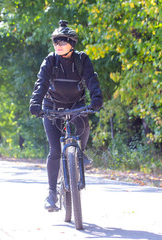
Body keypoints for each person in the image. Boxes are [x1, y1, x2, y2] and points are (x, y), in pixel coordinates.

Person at [29, 20, 103, 211]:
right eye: (55, 42)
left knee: (83, 123)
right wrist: (35, 103)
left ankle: (80, 152)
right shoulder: (50, 60)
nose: (58, 45)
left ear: (72, 43)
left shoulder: (82, 60)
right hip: (51, 107)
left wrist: (96, 99)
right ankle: (52, 193)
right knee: (54, 150)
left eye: (62, 41)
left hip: (76, 105)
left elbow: (91, 80)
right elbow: (41, 83)